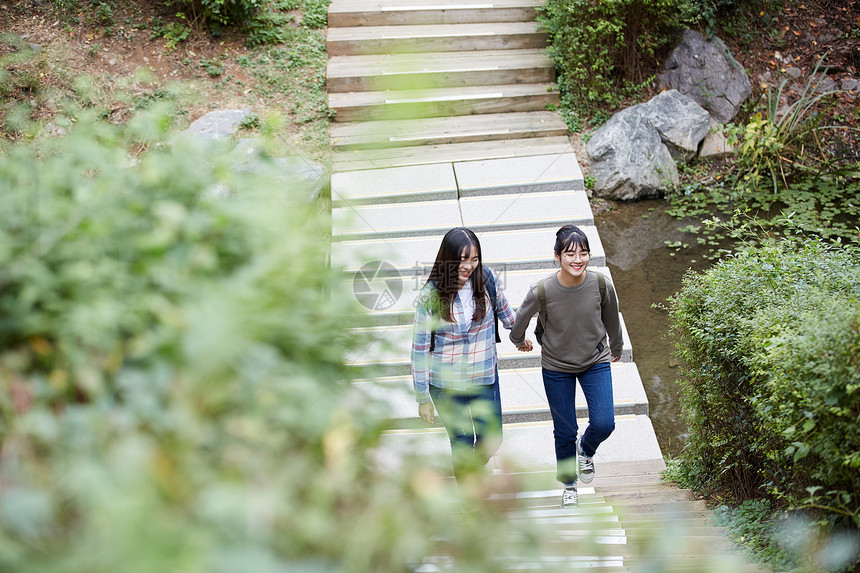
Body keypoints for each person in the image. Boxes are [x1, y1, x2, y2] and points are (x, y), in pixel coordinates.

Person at [509, 224, 622, 508]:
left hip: (594, 360)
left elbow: (612, 319)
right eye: (570, 253)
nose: (578, 259)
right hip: (556, 366)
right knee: (564, 429)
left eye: (583, 253)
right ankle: (569, 484)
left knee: (604, 422)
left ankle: (586, 449)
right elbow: (518, 322)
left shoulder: (600, 284)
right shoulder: (543, 290)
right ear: (557, 256)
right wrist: (519, 340)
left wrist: (616, 348)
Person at [411, 228, 528, 484]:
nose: (469, 266)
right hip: (445, 383)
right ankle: (469, 499)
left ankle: (471, 471)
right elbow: (419, 349)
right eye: (463, 259)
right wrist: (422, 397)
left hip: (482, 374)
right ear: (448, 259)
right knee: (462, 440)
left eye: (474, 259)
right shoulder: (430, 296)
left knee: (492, 438)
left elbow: (505, 311)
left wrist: (519, 336)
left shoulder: (487, 280)